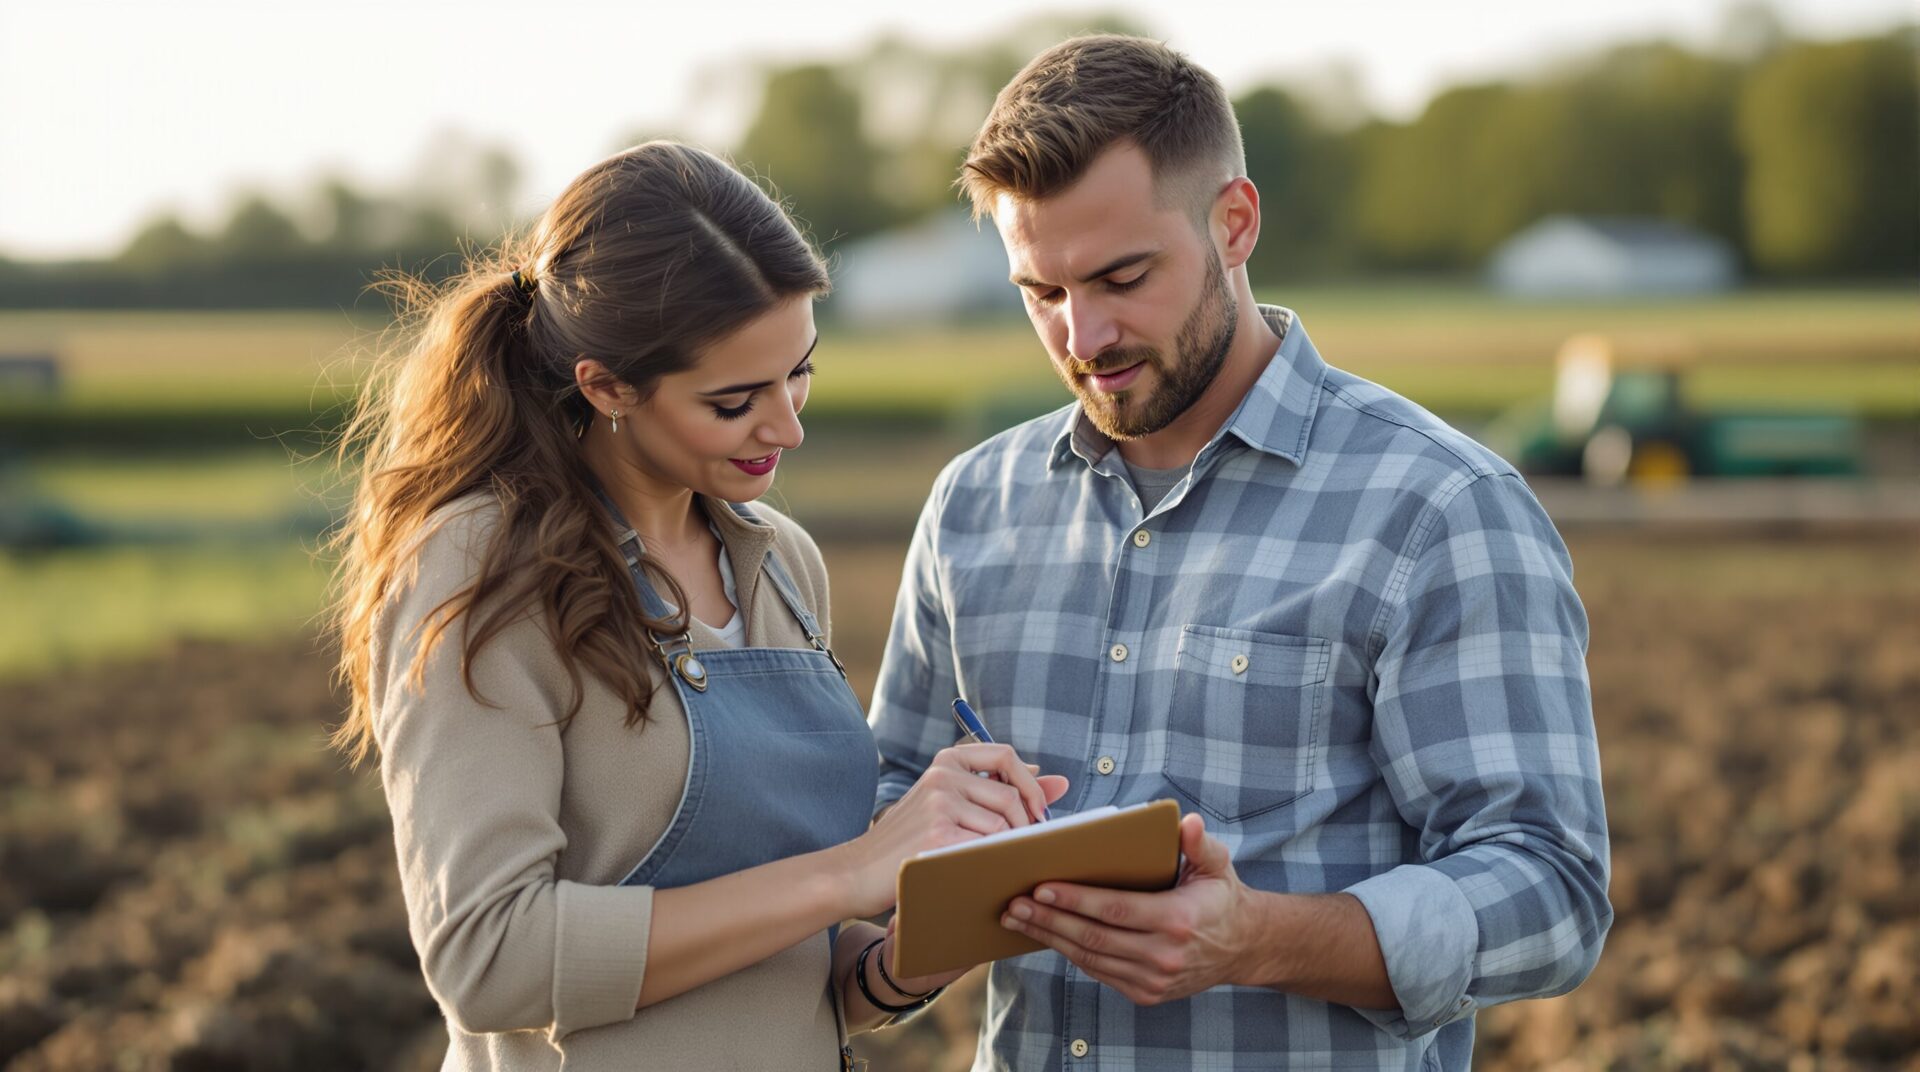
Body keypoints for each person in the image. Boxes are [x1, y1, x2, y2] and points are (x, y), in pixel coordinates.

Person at [869, 36, 1612, 1070]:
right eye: (1042, 293)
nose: (1083, 336)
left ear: (1235, 223)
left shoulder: (1439, 506)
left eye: (1123, 276)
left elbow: (1551, 892)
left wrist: (1258, 939)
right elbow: (885, 816)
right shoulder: (970, 505)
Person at [325, 140, 1066, 1071]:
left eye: (799, 372)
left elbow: (777, 966)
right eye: (733, 401)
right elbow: (489, 959)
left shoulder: (781, 562)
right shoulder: (482, 565)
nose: (787, 425)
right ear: (606, 386)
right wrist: (848, 872)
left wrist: (906, 953)